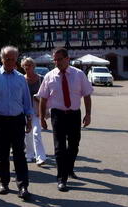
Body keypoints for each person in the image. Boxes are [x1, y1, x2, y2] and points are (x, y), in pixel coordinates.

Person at [0, 46, 34, 200]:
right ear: (2, 59)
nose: (9, 62)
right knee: (1, 154)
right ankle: (4, 182)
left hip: (17, 120)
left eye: (12, 59)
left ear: (16, 60)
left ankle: (23, 186)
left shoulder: (21, 78)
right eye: (6, 59)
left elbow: (27, 101)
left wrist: (29, 119)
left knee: (19, 154)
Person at [38, 48, 93, 192]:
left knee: (74, 145)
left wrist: (88, 114)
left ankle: (69, 168)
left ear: (67, 59)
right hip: (58, 115)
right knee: (59, 148)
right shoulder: (49, 76)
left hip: (74, 114)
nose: (57, 62)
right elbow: (43, 99)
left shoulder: (78, 74)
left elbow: (87, 95)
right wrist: (43, 117)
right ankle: (61, 179)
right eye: (55, 60)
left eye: (60, 59)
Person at [21, 57, 47, 166]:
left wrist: (37, 98)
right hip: (25, 110)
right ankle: (29, 155)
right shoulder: (21, 79)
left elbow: (46, 94)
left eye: (29, 65)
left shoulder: (41, 79)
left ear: (33, 66)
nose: (27, 67)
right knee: (27, 133)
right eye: (25, 65)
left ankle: (40, 157)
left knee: (36, 133)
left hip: (37, 110)